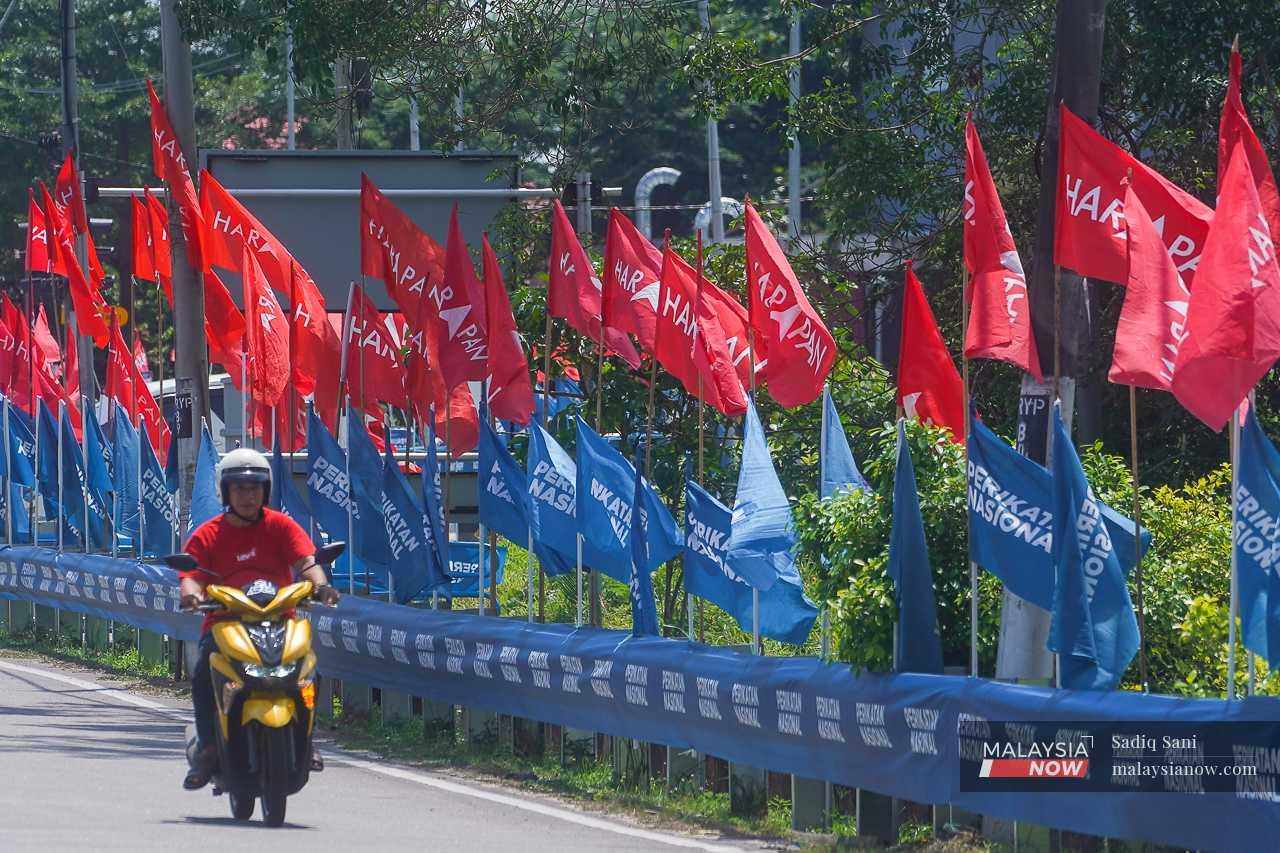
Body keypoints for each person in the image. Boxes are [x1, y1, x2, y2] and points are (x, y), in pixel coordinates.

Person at [178, 447, 340, 791]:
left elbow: (307, 562)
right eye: (239, 488)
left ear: (265, 491)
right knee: (203, 675)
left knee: (309, 670)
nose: (248, 496)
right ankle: (208, 747)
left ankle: (307, 738)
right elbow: (190, 573)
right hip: (224, 624)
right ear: (225, 491)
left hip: (280, 621)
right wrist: (191, 594)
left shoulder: (281, 526)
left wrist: (322, 587)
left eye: (254, 488)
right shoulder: (209, 533)